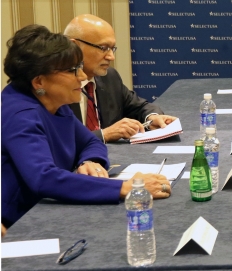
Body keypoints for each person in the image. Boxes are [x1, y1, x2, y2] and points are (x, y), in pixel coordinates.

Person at [1, 25, 171, 228]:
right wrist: (126, 188)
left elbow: (90, 141)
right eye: (72, 70)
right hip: (20, 223)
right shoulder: (20, 115)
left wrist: (89, 160)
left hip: (49, 209)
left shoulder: (52, 102)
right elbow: (44, 178)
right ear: (39, 81)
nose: (82, 76)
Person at [63, 14, 178, 142]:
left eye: (112, 49)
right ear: (75, 47)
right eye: (103, 48)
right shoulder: (56, 87)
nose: (111, 57)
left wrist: (152, 117)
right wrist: (104, 134)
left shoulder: (109, 77)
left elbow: (138, 107)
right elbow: (56, 140)